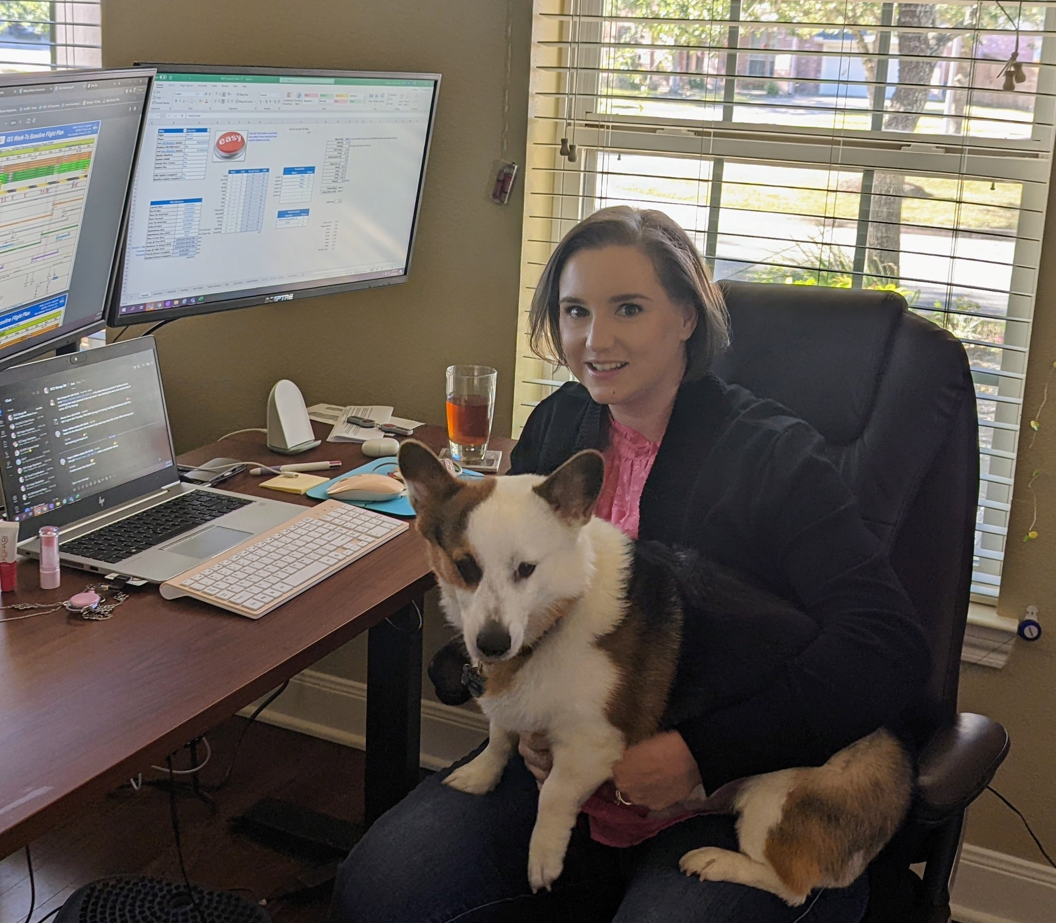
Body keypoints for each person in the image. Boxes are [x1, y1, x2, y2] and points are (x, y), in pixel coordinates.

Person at [331, 207, 931, 923]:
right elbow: (510, 602)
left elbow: (886, 645)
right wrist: (525, 723)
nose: (595, 338)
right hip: (570, 768)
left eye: (629, 309)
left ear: (685, 316)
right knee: (381, 889)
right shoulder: (558, 426)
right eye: (575, 310)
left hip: (730, 784)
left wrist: (698, 754)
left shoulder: (776, 457)